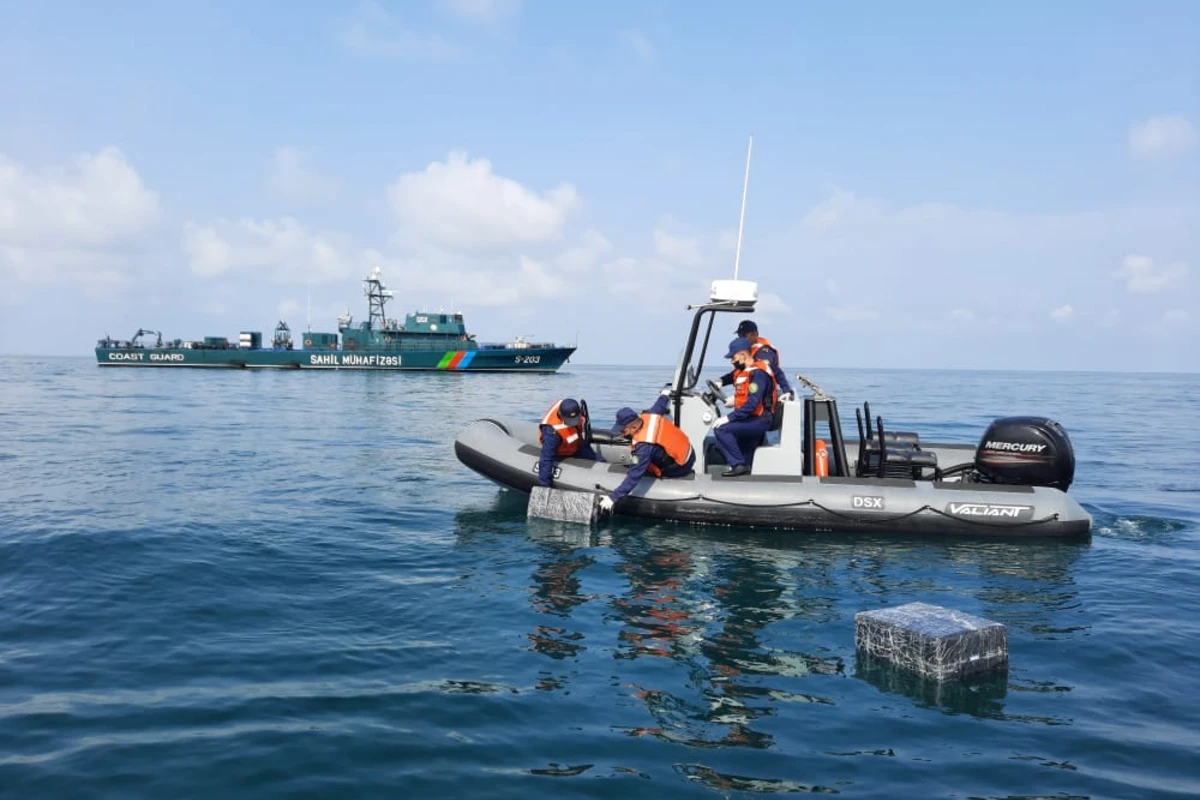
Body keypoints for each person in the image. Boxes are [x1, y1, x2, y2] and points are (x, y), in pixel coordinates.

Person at [597, 394, 695, 513]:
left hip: (681, 466)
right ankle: (636, 462)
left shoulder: (644, 447)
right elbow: (660, 404)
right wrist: (665, 396)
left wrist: (613, 498)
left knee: (638, 466)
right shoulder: (651, 415)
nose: (622, 434)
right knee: (636, 459)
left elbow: (635, 476)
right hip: (688, 450)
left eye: (624, 431)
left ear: (634, 427)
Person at [712, 337, 777, 477]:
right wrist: (720, 381)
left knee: (722, 430)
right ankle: (744, 468)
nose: (732, 361)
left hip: (760, 419)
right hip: (750, 417)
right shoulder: (743, 370)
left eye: (733, 357)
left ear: (743, 355)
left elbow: (752, 404)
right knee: (745, 451)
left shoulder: (758, 373)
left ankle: (738, 464)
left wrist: (728, 418)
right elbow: (731, 376)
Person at [537, 398, 602, 487]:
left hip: (576, 443)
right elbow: (546, 459)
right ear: (561, 415)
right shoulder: (551, 432)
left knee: (599, 461)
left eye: (575, 419)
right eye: (571, 421)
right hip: (561, 450)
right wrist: (545, 486)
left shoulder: (573, 409)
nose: (574, 423)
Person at [735, 319, 793, 399]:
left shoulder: (764, 352)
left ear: (755, 334)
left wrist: (786, 390)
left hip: (762, 401)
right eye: (739, 335)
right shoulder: (749, 351)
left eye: (743, 336)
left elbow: (775, 371)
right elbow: (738, 372)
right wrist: (721, 381)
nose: (740, 339)